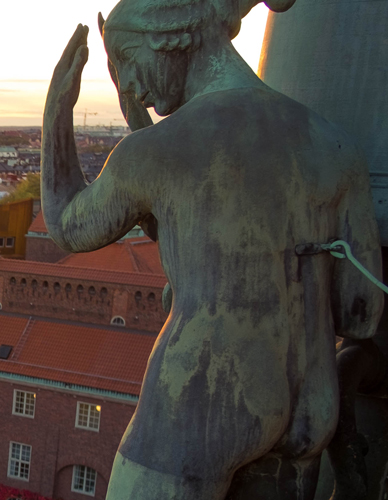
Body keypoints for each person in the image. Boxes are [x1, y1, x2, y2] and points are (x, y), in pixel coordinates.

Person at [40, 0, 381, 497]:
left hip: (199, 405)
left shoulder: (154, 152)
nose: (131, 86)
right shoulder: (333, 145)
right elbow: (361, 315)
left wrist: (57, 111)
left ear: (170, 38)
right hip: (311, 408)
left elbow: (69, 227)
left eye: (130, 60)